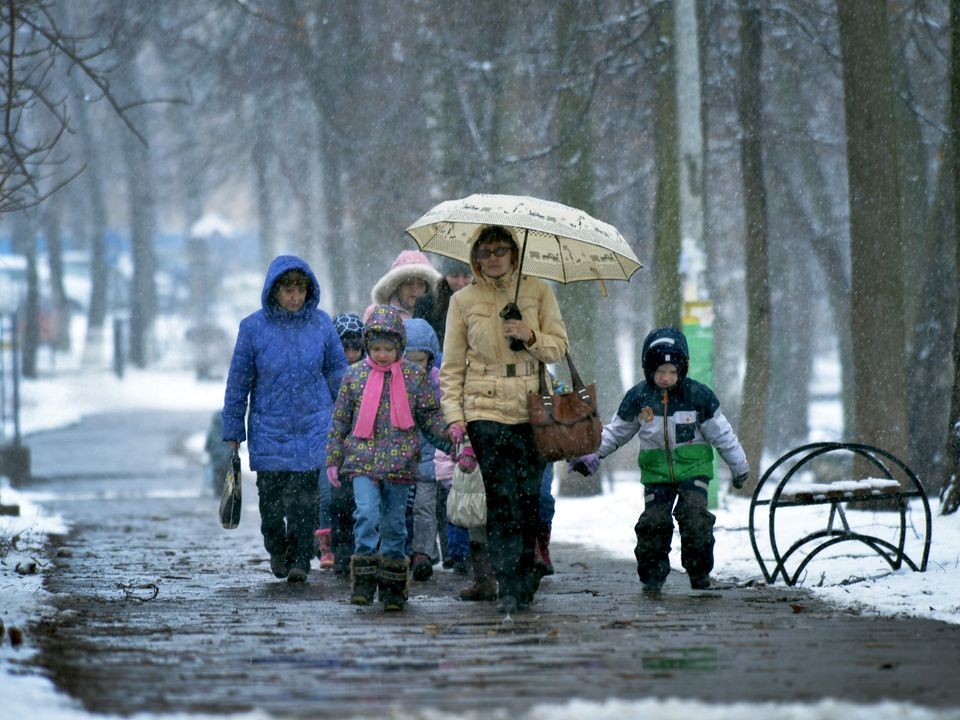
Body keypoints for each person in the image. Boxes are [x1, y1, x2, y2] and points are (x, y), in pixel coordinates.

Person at [440, 224, 569, 614]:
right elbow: (451, 367)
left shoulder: (539, 291)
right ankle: (507, 582)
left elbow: (559, 347)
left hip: (532, 408)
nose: (493, 257)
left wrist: (530, 335)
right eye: (485, 251)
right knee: (501, 498)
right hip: (484, 408)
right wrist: (454, 417)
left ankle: (526, 571)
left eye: (501, 249)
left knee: (529, 498)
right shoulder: (463, 301)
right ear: (475, 257)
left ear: (514, 252)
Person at [569, 327, 749, 594]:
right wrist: (593, 453)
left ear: (683, 371)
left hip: (693, 470)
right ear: (648, 370)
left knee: (695, 518)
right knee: (653, 524)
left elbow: (722, 435)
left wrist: (739, 466)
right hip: (656, 475)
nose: (666, 378)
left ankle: (699, 572)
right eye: (660, 372)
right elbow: (617, 432)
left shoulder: (698, 397)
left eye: (673, 372)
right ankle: (652, 576)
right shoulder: (639, 398)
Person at [221, 256, 347, 583]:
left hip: (313, 427)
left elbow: (337, 373)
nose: (295, 296)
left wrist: (351, 416)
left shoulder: (321, 324)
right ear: (274, 289)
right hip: (269, 430)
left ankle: (300, 560)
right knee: (272, 503)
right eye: (288, 289)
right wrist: (233, 429)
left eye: (300, 289)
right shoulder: (252, 328)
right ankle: (277, 547)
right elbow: (238, 382)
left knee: (305, 502)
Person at [326, 305, 451, 611]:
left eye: (389, 348)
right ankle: (365, 580)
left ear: (399, 346)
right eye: (377, 348)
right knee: (366, 515)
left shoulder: (413, 377)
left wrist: (452, 440)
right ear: (368, 345)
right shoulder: (354, 377)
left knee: (395, 524)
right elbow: (340, 420)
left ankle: (393, 586)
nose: (382, 355)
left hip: (400, 465)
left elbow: (429, 416)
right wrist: (333, 458)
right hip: (362, 462)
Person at [316, 313, 366, 575]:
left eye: (355, 347)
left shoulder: (368, 372)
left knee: (353, 498)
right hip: (330, 440)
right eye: (343, 348)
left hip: (358, 443)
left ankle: (350, 545)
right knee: (328, 496)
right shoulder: (325, 374)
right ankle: (328, 546)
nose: (349, 353)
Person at [363, 249, 440, 322]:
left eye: (421, 284)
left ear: (427, 288)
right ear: (397, 287)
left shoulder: (438, 316)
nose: (415, 289)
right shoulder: (376, 314)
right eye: (408, 283)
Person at [414, 256, 473, 347]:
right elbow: (419, 342)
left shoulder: (485, 301)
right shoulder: (427, 304)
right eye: (454, 275)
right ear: (445, 276)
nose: (461, 282)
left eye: (467, 276)